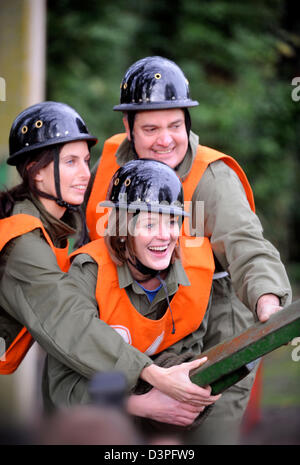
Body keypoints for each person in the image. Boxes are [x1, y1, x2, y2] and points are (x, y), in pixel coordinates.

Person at [85, 56, 292, 444]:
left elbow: (248, 246)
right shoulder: (109, 163)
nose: (166, 139)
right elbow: (87, 244)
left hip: (216, 339)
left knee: (206, 438)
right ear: (127, 127)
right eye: (151, 128)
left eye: (175, 125)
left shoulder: (212, 177)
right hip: (137, 335)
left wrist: (267, 298)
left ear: (188, 123)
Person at [0, 106, 217, 430]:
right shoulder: (24, 244)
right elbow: (69, 324)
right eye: (71, 162)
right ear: (36, 170)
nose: (87, 174)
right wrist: (151, 376)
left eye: (86, 161)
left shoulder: (53, 226)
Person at [43, 159, 220, 433]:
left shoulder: (195, 272)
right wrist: (140, 404)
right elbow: (62, 387)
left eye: (172, 221)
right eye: (149, 224)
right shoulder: (89, 273)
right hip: (84, 427)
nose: (164, 236)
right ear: (123, 230)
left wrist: (189, 391)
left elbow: (185, 354)